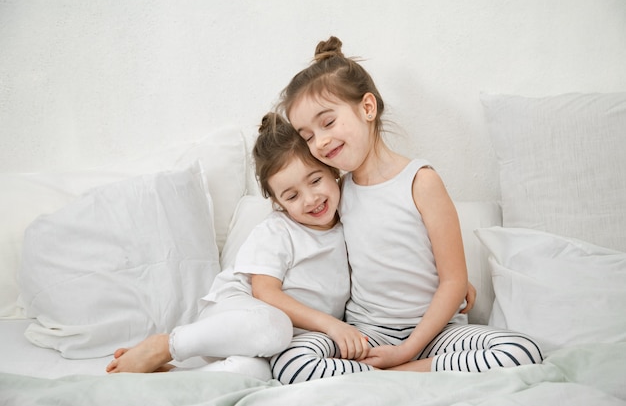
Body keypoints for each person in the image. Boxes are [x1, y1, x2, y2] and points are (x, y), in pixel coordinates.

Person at [270, 36, 544, 384]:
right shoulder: (338, 194)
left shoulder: (420, 182)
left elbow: (453, 280)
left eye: (327, 123)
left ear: (367, 108)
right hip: (368, 333)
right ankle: (389, 373)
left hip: (436, 335)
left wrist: (408, 350)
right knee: (290, 360)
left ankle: (396, 374)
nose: (319, 142)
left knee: (521, 352)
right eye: (307, 135)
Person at [106, 112, 370, 379]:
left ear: (333, 171)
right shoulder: (279, 230)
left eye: (315, 180)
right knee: (275, 327)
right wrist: (331, 325)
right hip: (237, 318)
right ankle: (167, 345)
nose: (311, 199)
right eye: (292, 196)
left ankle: (170, 376)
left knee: (255, 374)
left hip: (274, 346)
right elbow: (266, 293)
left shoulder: (351, 219)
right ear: (278, 203)